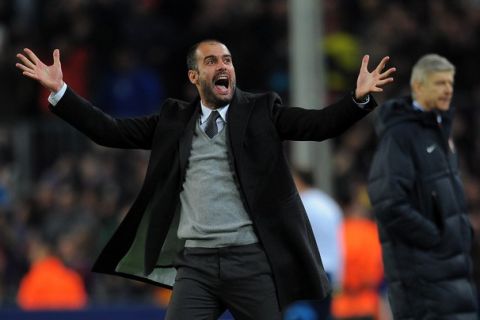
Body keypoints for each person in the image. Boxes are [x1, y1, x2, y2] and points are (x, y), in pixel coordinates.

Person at [16, 40, 395, 319]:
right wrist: (62, 94)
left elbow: (317, 126)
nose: (223, 66)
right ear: (194, 76)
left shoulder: (263, 110)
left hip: (250, 262)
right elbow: (110, 131)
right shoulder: (173, 119)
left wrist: (357, 100)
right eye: (212, 61)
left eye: (228, 60)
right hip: (195, 266)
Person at [367, 54, 478, 319]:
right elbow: (388, 202)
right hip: (425, 280)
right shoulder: (401, 135)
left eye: (450, 83)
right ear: (418, 86)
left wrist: (461, 235)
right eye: (439, 83)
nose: (448, 89)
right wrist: (436, 239)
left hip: (453, 275)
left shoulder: (439, 134)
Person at [289, 169, 343, 320]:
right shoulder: (328, 203)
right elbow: (338, 243)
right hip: (330, 271)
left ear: (298, 180)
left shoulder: (302, 204)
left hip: (310, 271)